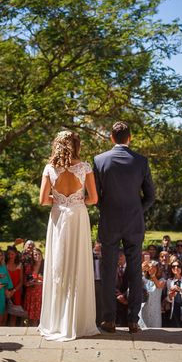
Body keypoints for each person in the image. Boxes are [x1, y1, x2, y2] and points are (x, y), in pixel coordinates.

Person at [37, 130, 100, 341]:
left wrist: (58, 200)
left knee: (58, 266)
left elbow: (43, 201)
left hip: (58, 217)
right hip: (78, 216)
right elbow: (93, 199)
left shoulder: (49, 169)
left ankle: (55, 321)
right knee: (78, 266)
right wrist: (76, 201)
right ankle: (77, 322)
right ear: (76, 145)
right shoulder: (84, 168)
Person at [93, 121, 155, 334]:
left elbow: (96, 196)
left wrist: (107, 209)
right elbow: (151, 196)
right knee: (135, 270)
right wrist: (137, 209)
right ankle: (133, 321)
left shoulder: (99, 160)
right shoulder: (141, 161)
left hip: (110, 221)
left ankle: (108, 320)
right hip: (134, 222)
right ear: (130, 137)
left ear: (112, 137)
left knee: (108, 271)